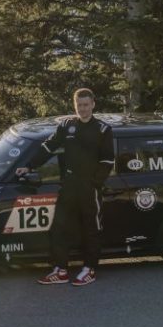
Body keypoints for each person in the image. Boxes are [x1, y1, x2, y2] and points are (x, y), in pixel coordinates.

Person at [17, 88, 114, 286]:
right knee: (59, 227)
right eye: (79, 105)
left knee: (91, 229)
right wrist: (28, 166)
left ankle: (89, 269)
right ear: (74, 105)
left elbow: (107, 160)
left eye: (86, 105)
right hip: (68, 186)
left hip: (89, 188)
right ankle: (60, 270)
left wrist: (94, 183)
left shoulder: (103, 129)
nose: (83, 109)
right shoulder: (67, 126)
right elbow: (48, 146)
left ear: (93, 104)